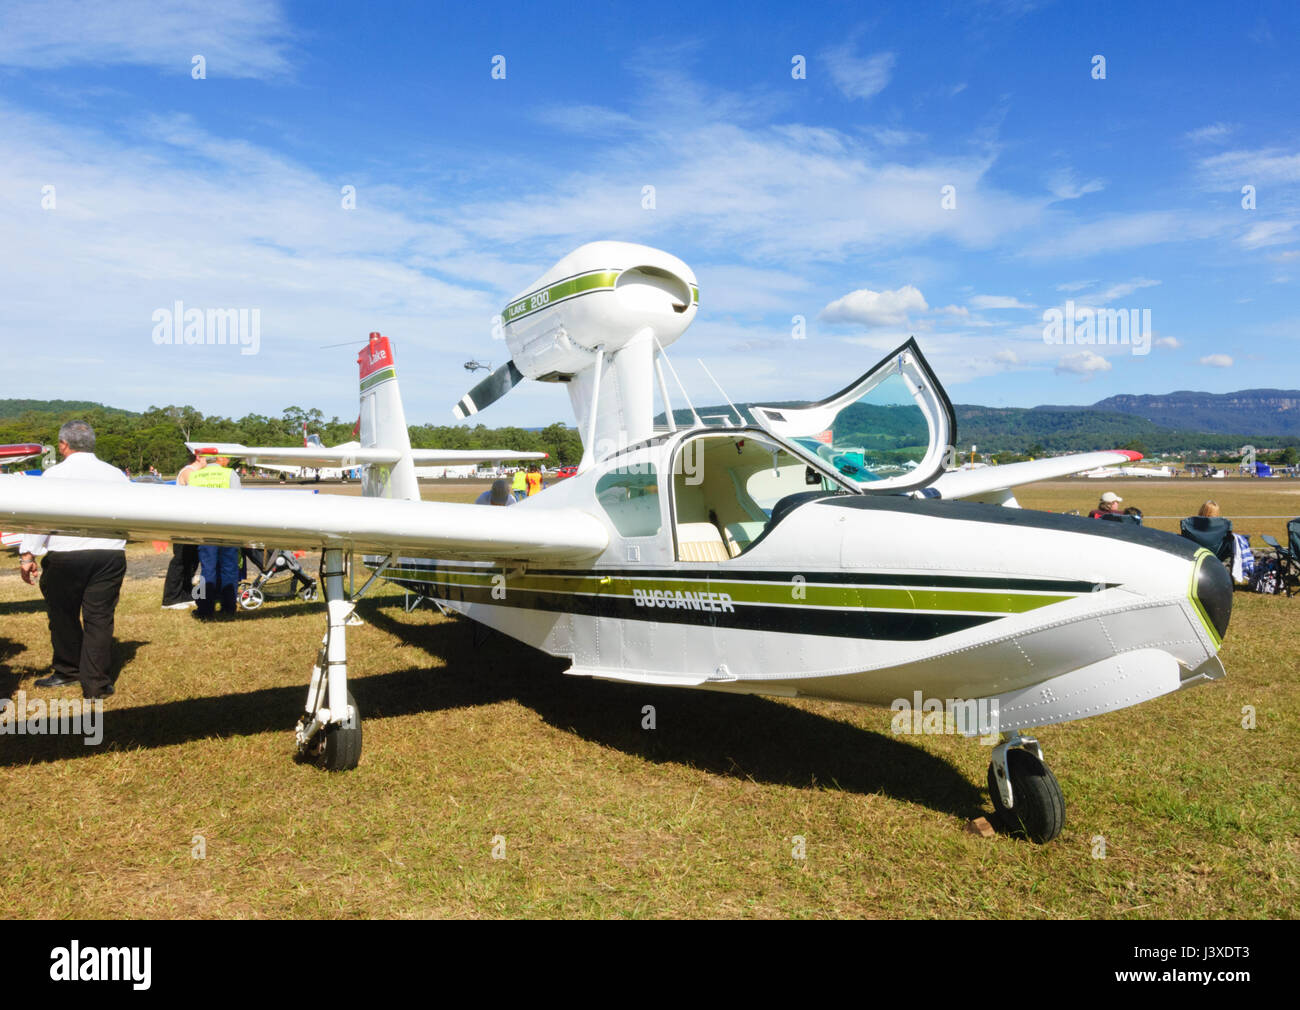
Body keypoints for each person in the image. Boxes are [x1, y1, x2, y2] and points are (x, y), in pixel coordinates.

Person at [17, 420, 128, 699]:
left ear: (63, 446)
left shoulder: (53, 475)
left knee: (63, 615)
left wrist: (27, 554)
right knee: (99, 618)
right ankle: (96, 685)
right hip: (109, 553)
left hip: (66, 554)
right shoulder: (116, 475)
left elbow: (39, 519)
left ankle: (68, 670)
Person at [188, 453, 243, 618]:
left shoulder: (195, 476)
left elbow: (189, 502)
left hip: (206, 527)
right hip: (227, 526)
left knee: (207, 568)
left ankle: (205, 608)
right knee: (229, 567)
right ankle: (228, 606)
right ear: (221, 460)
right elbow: (239, 499)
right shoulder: (229, 474)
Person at [160, 450, 206, 609]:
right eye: (207, 458)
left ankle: (185, 595)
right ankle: (170, 599)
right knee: (180, 560)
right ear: (199, 458)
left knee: (192, 560)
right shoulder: (188, 472)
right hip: (182, 523)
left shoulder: (196, 472)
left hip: (191, 523)